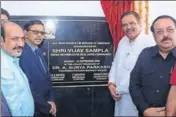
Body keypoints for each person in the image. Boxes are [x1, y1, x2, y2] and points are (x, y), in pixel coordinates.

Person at [108, 11, 155, 116]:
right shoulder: (123, 41)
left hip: (137, 99)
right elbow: (115, 64)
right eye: (124, 25)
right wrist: (111, 83)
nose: (128, 27)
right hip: (120, 97)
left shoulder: (149, 44)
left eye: (132, 23)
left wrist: (120, 88)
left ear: (140, 24)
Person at [129, 15, 176, 116]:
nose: (165, 35)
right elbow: (134, 85)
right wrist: (144, 109)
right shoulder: (145, 54)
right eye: (159, 32)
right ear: (154, 36)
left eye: (170, 30)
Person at [19, 20, 56, 117]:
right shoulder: (22, 54)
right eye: (35, 32)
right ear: (25, 33)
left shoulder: (38, 51)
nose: (39, 35)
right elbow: (27, 86)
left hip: (45, 106)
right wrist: (46, 107)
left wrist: (51, 100)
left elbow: (47, 79)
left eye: (42, 33)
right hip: (33, 109)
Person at [1, 21, 34, 116]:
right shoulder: (4, 66)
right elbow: (13, 105)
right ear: (1, 40)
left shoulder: (11, 59)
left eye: (23, 39)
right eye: (15, 39)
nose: (21, 44)